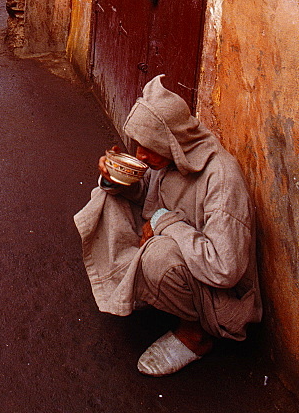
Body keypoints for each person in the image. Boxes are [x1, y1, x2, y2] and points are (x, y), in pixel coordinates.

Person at [74, 75, 262, 376]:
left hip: (221, 298)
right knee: (107, 199)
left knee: (158, 256)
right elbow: (146, 194)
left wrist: (164, 222)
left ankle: (195, 335)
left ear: (173, 141)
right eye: (138, 146)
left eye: (150, 148)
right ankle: (138, 285)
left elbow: (225, 268)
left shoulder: (222, 179)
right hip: (186, 257)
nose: (141, 156)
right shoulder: (173, 158)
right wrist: (115, 179)